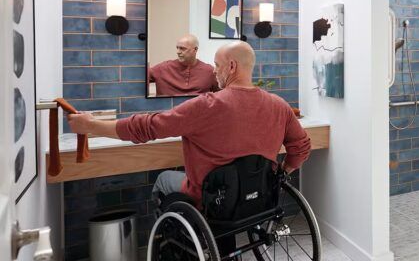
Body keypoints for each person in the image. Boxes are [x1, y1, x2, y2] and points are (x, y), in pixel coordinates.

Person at [67, 41, 311, 206]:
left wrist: (92, 126)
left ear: (232, 66)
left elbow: (147, 127)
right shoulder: (279, 105)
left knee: (164, 179)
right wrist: (282, 173)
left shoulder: (207, 105)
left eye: (217, 65)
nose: (214, 72)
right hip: (258, 196)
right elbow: (300, 147)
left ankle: (176, 244)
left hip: (211, 199)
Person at [148, 34, 218, 96]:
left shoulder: (209, 71)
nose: (178, 52)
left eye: (182, 49)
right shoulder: (162, 68)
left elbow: (221, 95)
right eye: (177, 48)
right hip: (167, 110)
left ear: (195, 50)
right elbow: (139, 79)